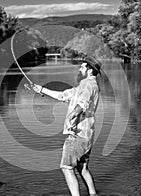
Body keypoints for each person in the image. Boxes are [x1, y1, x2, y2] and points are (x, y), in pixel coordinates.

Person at [26, 56, 101, 196]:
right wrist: (41, 89)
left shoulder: (88, 85)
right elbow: (63, 95)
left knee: (66, 167)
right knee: (82, 168)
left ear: (90, 70)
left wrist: (72, 117)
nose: (80, 69)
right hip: (87, 134)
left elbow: (82, 105)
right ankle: (93, 194)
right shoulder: (87, 85)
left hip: (77, 134)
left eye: (83, 67)